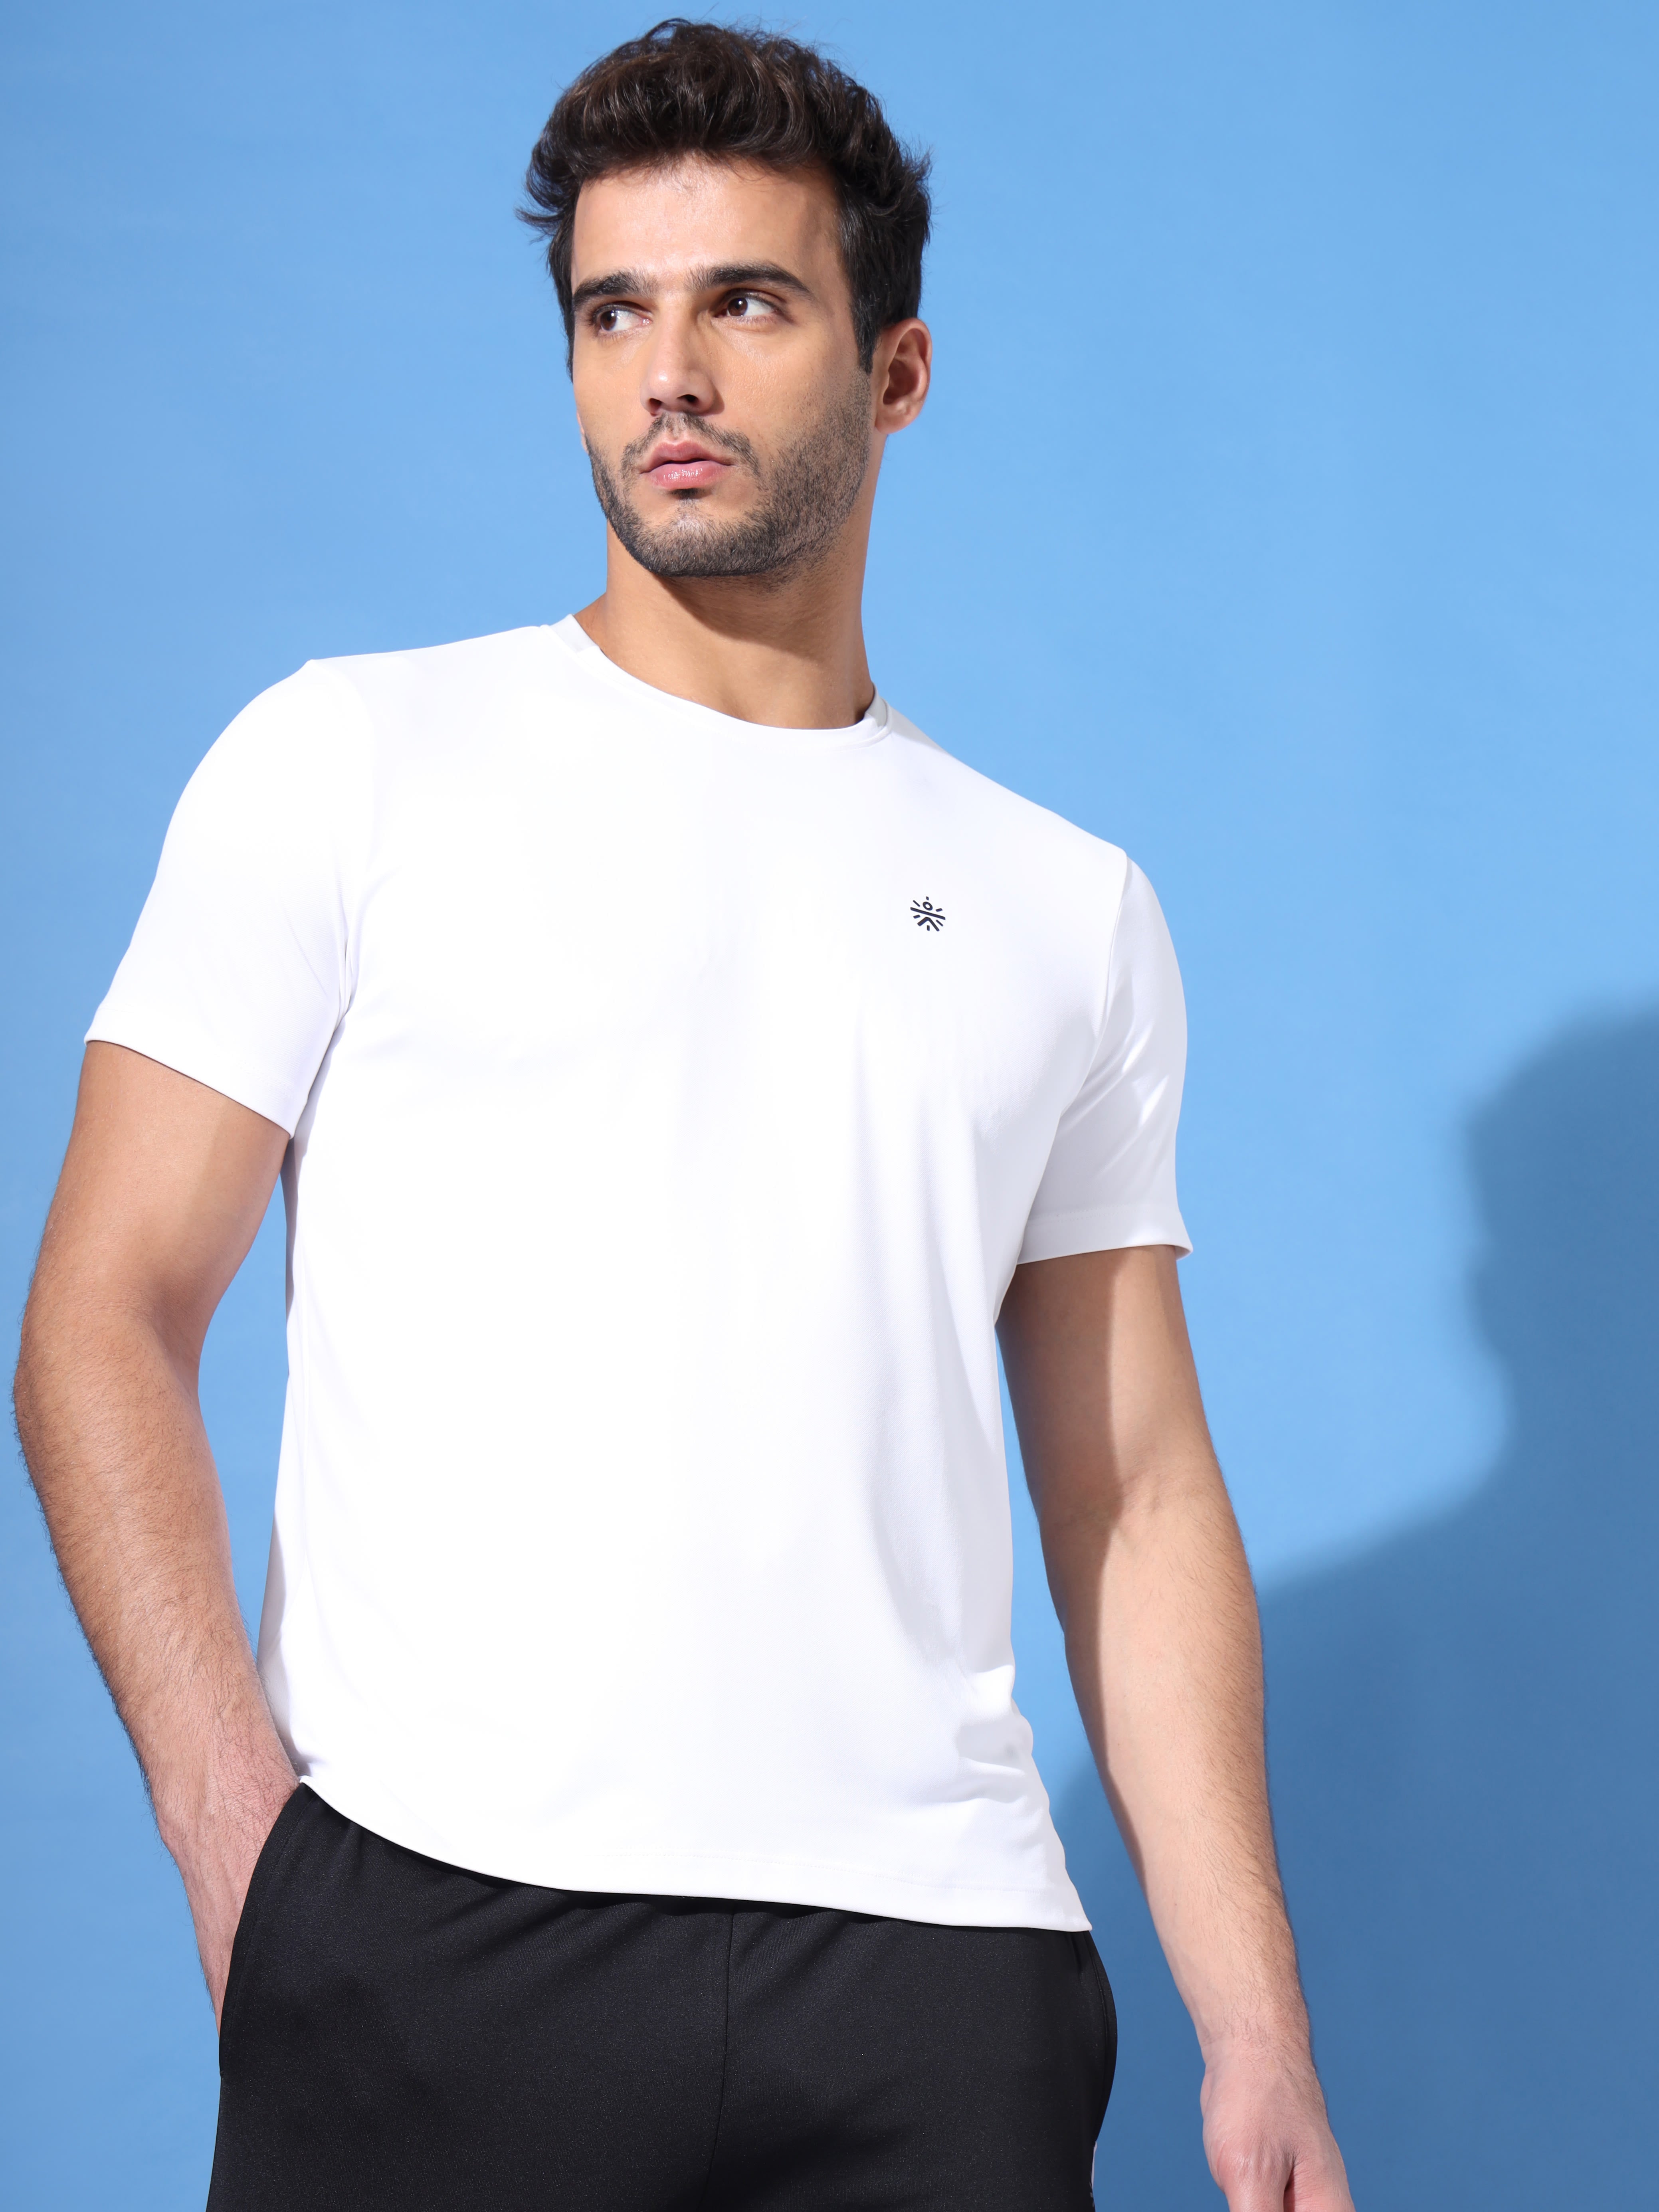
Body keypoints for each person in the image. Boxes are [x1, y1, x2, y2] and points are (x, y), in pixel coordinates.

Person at [14, 20, 1353, 2211]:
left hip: (941, 1982)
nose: (669, 375)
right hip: (432, 1923)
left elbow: (1130, 1487)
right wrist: (242, 1844)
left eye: (746, 302)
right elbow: (104, 1315)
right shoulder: (350, 764)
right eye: (613, 313)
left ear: (897, 371)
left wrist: (1257, 2025)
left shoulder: (1067, 906)